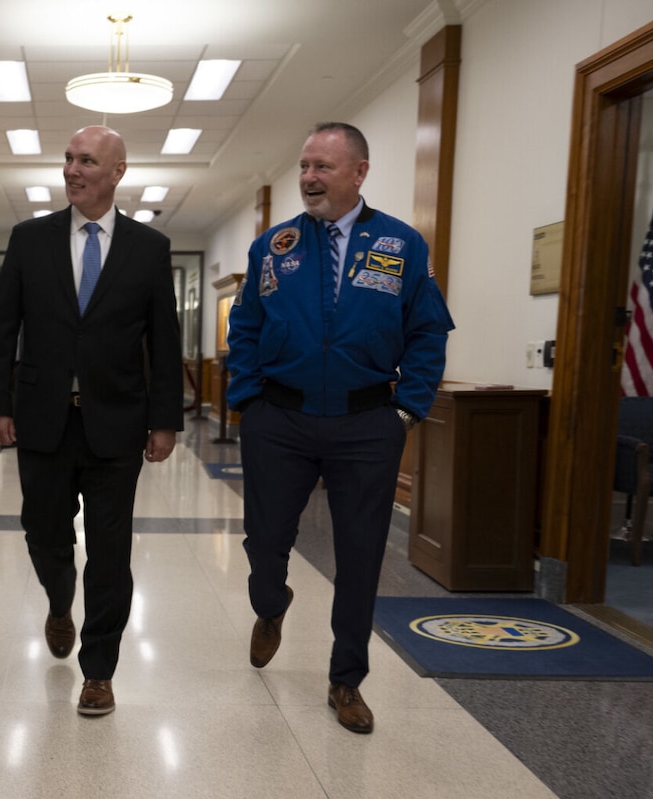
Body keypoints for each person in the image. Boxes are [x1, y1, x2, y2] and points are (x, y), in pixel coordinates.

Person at [226, 122, 453, 734]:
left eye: (323, 167)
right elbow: (244, 327)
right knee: (265, 538)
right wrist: (248, 398)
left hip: (365, 422)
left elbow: (429, 330)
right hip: (279, 418)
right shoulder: (273, 246)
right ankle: (271, 605)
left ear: (359, 172)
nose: (308, 178)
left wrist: (406, 409)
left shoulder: (402, 245)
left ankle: (346, 680)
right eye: (304, 166)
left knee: (360, 555)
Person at [0, 125, 183, 716]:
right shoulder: (29, 239)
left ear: (117, 171)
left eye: (86, 160)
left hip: (118, 420)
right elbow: (3, 329)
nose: (72, 169)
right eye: (68, 159)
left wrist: (164, 420)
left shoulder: (149, 248)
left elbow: (163, 342)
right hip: (42, 419)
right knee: (43, 532)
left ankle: (99, 671)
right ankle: (59, 601)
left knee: (111, 551)